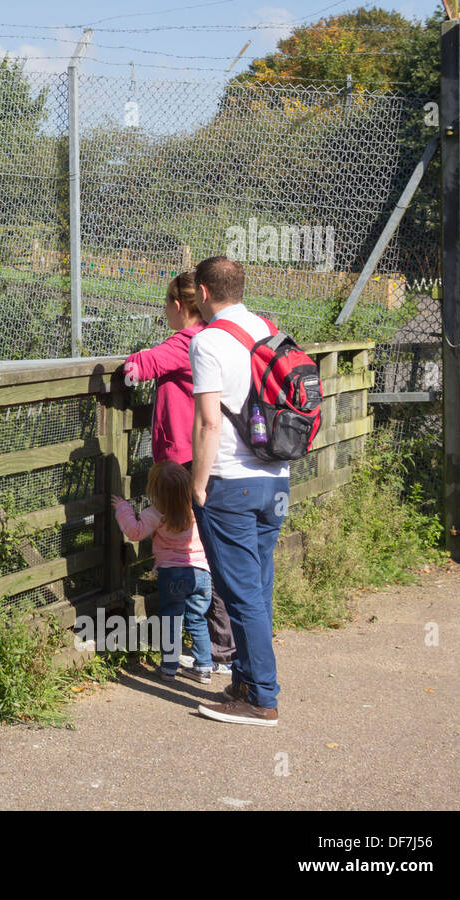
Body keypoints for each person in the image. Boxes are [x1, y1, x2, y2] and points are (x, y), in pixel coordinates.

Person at [187, 255, 289, 727]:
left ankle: (262, 698)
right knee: (258, 587)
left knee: (241, 592)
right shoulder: (269, 329)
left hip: (231, 481)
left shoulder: (207, 341)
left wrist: (198, 484)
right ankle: (247, 680)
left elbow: (209, 422)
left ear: (203, 294)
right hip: (276, 481)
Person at [122, 273, 236, 674]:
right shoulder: (211, 338)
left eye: (166, 303)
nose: (164, 310)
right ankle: (218, 649)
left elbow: (139, 368)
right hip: (197, 458)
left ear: (179, 305)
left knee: (195, 548)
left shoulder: (185, 342)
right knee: (206, 550)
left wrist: (133, 360)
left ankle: (218, 651)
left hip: (181, 462)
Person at [112, 461, 213, 682]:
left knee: (171, 619)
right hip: (201, 572)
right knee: (197, 619)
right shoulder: (198, 507)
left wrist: (123, 509)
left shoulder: (155, 513)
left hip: (172, 574)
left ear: (155, 490)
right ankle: (204, 667)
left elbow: (135, 532)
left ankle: (169, 667)